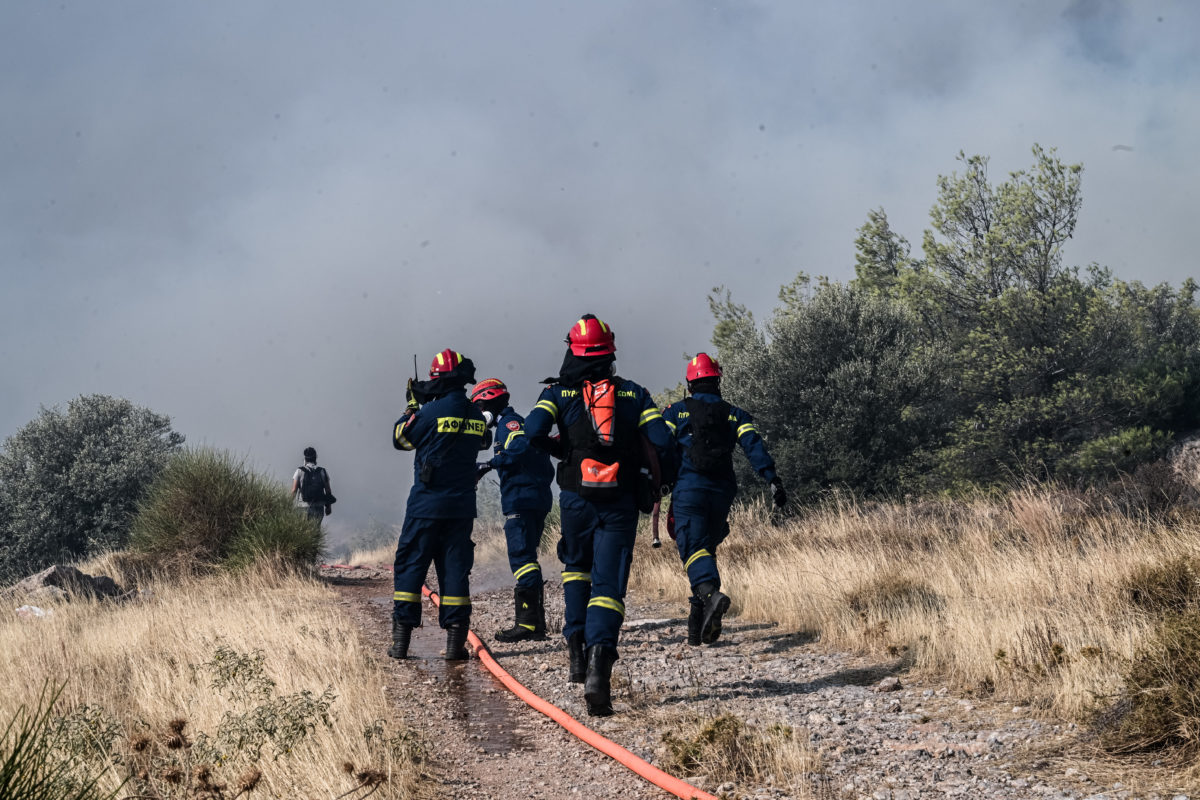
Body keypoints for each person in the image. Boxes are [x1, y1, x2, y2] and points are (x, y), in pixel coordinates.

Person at [524, 314, 674, 716]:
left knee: (576, 568)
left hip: (575, 499)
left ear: (572, 351)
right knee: (608, 585)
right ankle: (598, 670)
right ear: (610, 353)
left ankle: (575, 652)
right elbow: (662, 438)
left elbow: (532, 431)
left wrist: (565, 453)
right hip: (620, 502)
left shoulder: (557, 394)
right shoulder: (635, 394)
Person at [663, 352, 786, 647]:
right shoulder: (735, 414)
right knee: (704, 548)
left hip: (689, 488)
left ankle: (710, 594)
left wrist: (652, 482)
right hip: (721, 491)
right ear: (717, 380)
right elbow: (753, 445)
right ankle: (697, 629)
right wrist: (772, 478)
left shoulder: (675, 412)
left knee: (692, 546)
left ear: (689, 383)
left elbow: (658, 447)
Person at [389, 349, 488, 661]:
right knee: (455, 571)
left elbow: (401, 439)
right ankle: (455, 646)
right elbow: (482, 442)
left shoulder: (429, 414)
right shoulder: (475, 415)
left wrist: (412, 406)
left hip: (426, 507)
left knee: (410, 567)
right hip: (461, 508)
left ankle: (401, 644)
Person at [471, 378, 556, 642]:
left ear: (488, 402)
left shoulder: (510, 424)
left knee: (521, 558)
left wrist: (488, 465)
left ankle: (528, 624)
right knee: (528, 557)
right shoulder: (508, 425)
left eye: (479, 406)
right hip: (531, 497)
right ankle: (536, 624)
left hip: (523, 498)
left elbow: (519, 447)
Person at [291, 447, 333, 525]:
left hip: (303, 506)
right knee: (316, 532)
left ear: (305, 458)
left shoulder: (299, 470)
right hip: (319, 506)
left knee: (303, 533)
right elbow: (328, 490)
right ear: (315, 458)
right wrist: (328, 507)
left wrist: (287, 504)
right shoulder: (322, 471)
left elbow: (294, 490)